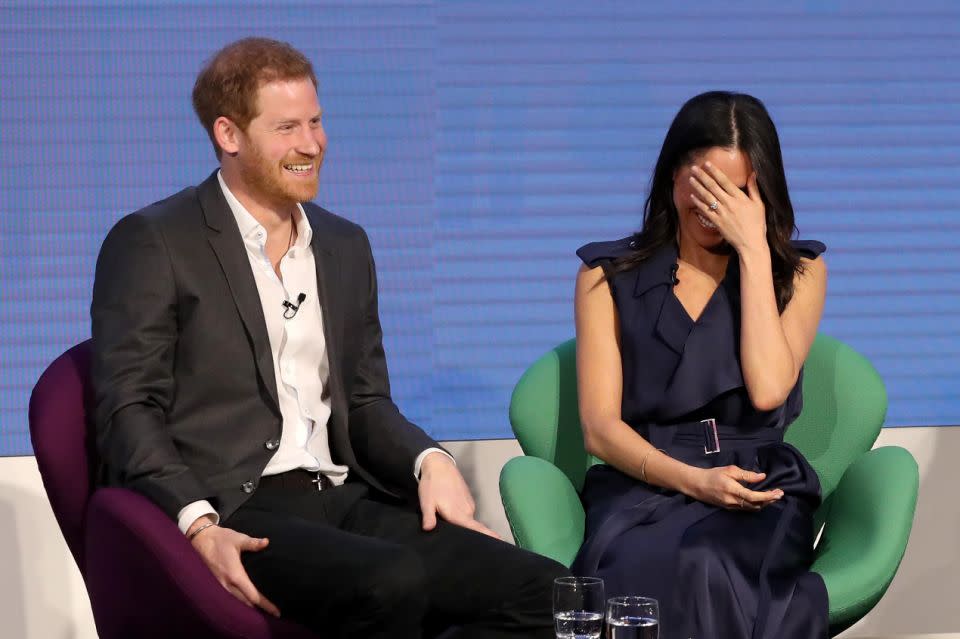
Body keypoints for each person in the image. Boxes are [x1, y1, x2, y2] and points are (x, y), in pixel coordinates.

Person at [91, 37, 566, 639]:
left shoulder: (344, 245)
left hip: (344, 497)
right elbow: (129, 408)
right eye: (287, 127)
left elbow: (365, 400)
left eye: (316, 122)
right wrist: (198, 524)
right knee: (391, 581)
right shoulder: (156, 240)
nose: (311, 145)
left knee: (551, 594)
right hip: (241, 506)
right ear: (229, 135)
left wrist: (431, 460)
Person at [571, 91, 829, 638]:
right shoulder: (606, 276)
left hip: (754, 483)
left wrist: (756, 253)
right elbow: (598, 429)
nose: (714, 207)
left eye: (733, 193)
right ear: (671, 177)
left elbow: (767, 391)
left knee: (709, 565)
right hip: (647, 477)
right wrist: (693, 481)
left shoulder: (801, 275)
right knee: (639, 572)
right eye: (703, 185)